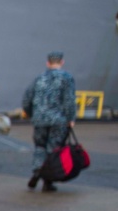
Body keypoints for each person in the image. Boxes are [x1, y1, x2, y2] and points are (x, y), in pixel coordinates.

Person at [21, 51, 76, 192]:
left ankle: (36, 172)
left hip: (39, 119)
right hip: (58, 120)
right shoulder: (67, 78)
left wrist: (31, 114)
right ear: (62, 62)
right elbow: (69, 101)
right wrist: (70, 118)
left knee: (40, 147)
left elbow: (27, 98)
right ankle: (48, 181)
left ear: (48, 63)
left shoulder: (39, 78)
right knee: (54, 150)